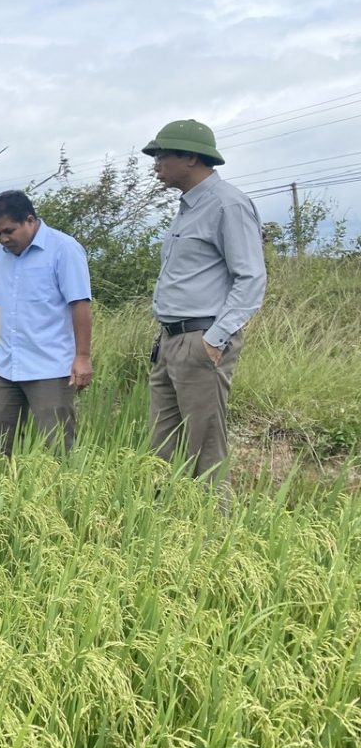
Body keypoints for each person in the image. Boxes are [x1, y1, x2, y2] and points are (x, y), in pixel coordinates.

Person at [142, 119, 266, 485]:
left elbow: (251, 277)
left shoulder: (227, 205)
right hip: (170, 341)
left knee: (205, 449)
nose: (156, 163)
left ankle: (214, 535)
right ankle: (166, 528)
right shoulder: (189, 207)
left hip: (201, 340)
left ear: (191, 157)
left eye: (162, 154)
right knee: (162, 449)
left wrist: (215, 339)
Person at [0, 190, 93, 455]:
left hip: (49, 366)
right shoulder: (1, 253)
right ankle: (2, 493)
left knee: (57, 446)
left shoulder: (64, 249)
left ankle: (62, 495)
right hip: (7, 364)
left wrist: (82, 356)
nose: (3, 239)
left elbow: (80, 304)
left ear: (30, 220)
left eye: (9, 231)